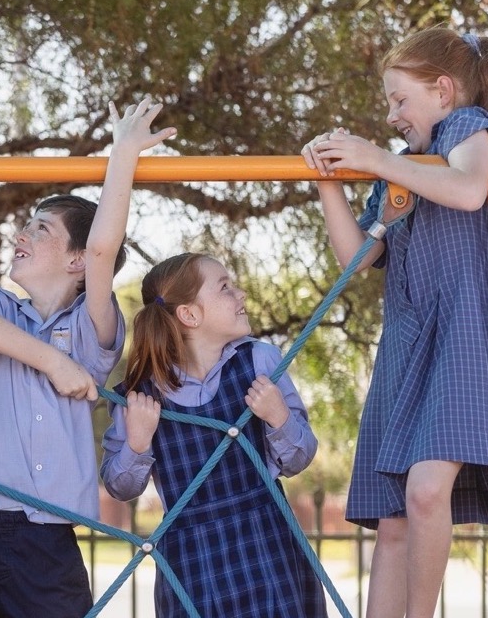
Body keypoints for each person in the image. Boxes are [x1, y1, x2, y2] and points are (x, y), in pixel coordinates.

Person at [301, 27, 488, 618]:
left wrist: (374, 158)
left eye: (400, 99)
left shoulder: (465, 127)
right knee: (391, 521)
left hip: (460, 340)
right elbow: (357, 260)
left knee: (424, 493)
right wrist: (330, 183)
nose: (391, 114)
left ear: (443, 90)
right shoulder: (398, 169)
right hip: (407, 343)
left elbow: (470, 189)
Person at [0, 98, 168, 616]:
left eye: (41, 229)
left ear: (77, 261)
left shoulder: (91, 329)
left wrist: (122, 155)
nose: (23, 234)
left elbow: (106, 248)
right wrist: (53, 363)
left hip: (44, 533)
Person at [101, 253, 327, 616]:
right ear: (189, 315)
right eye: (225, 288)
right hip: (192, 555)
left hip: (267, 540)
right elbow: (120, 486)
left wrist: (279, 417)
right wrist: (137, 443)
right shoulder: (140, 397)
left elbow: (298, 458)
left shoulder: (261, 362)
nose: (241, 295)